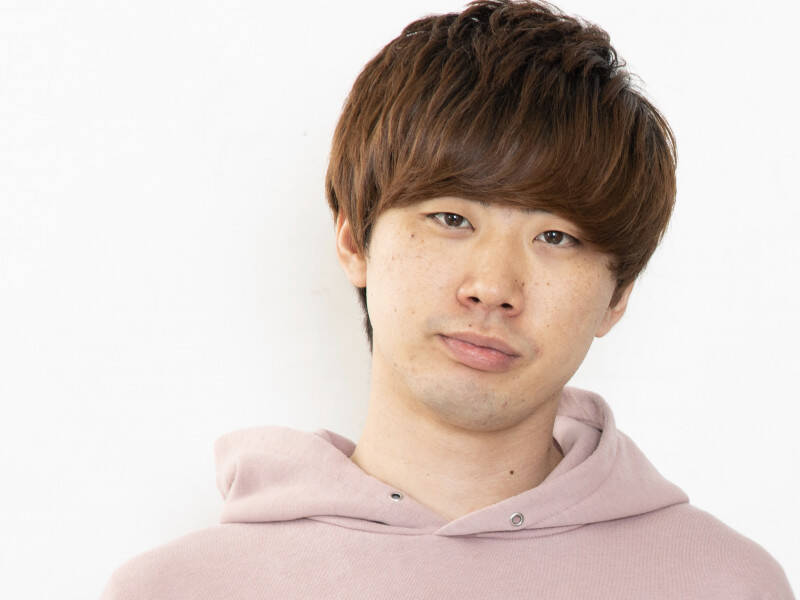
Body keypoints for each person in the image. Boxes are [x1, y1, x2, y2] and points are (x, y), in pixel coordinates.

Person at [100, 1, 794, 598]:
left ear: (618, 296)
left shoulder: (724, 585)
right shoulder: (178, 589)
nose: (492, 287)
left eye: (555, 237)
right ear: (354, 240)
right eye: (452, 218)